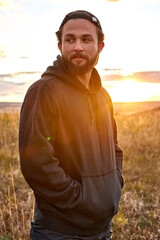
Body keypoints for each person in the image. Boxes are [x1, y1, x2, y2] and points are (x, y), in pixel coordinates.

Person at [19, 10, 124, 240]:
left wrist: (114, 184)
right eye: (70, 39)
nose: (78, 46)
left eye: (86, 39)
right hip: (59, 232)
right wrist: (81, 200)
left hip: (101, 230)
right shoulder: (43, 91)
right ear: (60, 46)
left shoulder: (103, 96)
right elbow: (35, 162)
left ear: (100, 47)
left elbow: (114, 147)